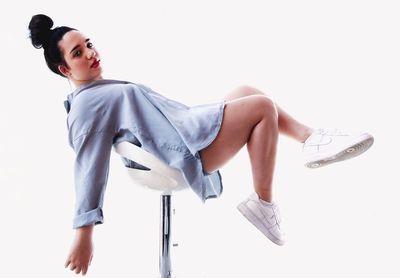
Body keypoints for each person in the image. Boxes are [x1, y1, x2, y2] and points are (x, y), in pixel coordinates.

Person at [28, 14, 374, 276]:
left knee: (246, 91)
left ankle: (311, 138)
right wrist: (84, 232)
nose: (90, 53)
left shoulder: (97, 92)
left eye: (88, 44)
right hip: (180, 155)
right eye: (78, 53)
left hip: (180, 131)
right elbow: (90, 166)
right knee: (262, 106)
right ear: (64, 69)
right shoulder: (89, 105)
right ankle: (263, 203)